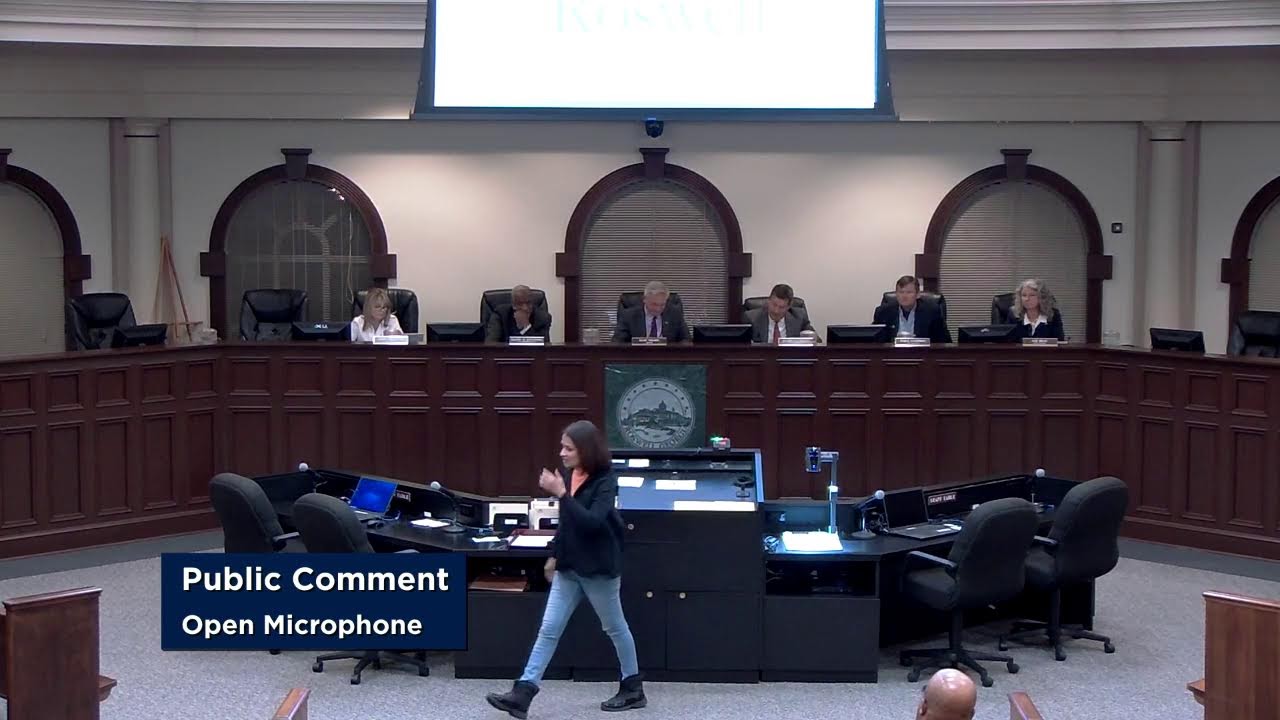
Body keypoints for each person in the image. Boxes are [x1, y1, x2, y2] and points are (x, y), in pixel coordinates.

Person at [484, 420, 645, 718]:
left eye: (568, 448)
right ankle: (522, 693)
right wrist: (554, 556)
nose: (562, 453)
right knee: (549, 629)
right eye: (562, 447)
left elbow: (591, 522)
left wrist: (562, 494)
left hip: (598, 568)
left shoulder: (605, 480)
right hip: (569, 565)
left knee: (614, 627)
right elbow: (567, 523)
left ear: (585, 450)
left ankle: (633, 687)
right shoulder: (570, 476)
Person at [873, 275, 951, 343]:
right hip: (892, 353)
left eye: (909, 292)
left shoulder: (932, 312)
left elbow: (944, 341)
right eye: (901, 292)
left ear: (918, 294)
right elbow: (874, 340)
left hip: (922, 353)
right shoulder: (883, 312)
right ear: (896, 294)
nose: (904, 296)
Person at [612, 280, 687, 342]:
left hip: (667, 354)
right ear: (644, 299)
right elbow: (617, 342)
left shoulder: (675, 314)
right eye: (654, 304)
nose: (658, 309)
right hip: (637, 354)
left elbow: (686, 340)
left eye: (662, 305)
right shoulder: (629, 316)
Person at [746, 283, 813, 344]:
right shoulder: (752, 318)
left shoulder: (799, 317)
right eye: (774, 305)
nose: (776, 311)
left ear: (788, 307)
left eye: (781, 307)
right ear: (768, 301)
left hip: (790, 353)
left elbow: (814, 340)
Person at [486, 285, 552, 342]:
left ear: (532, 302)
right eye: (520, 304)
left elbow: (544, 348)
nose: (525, 308)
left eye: (528, 303)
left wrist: (526, 327)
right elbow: (491, 344)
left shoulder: (543, 318)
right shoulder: (500, 315)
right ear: (513, 304)